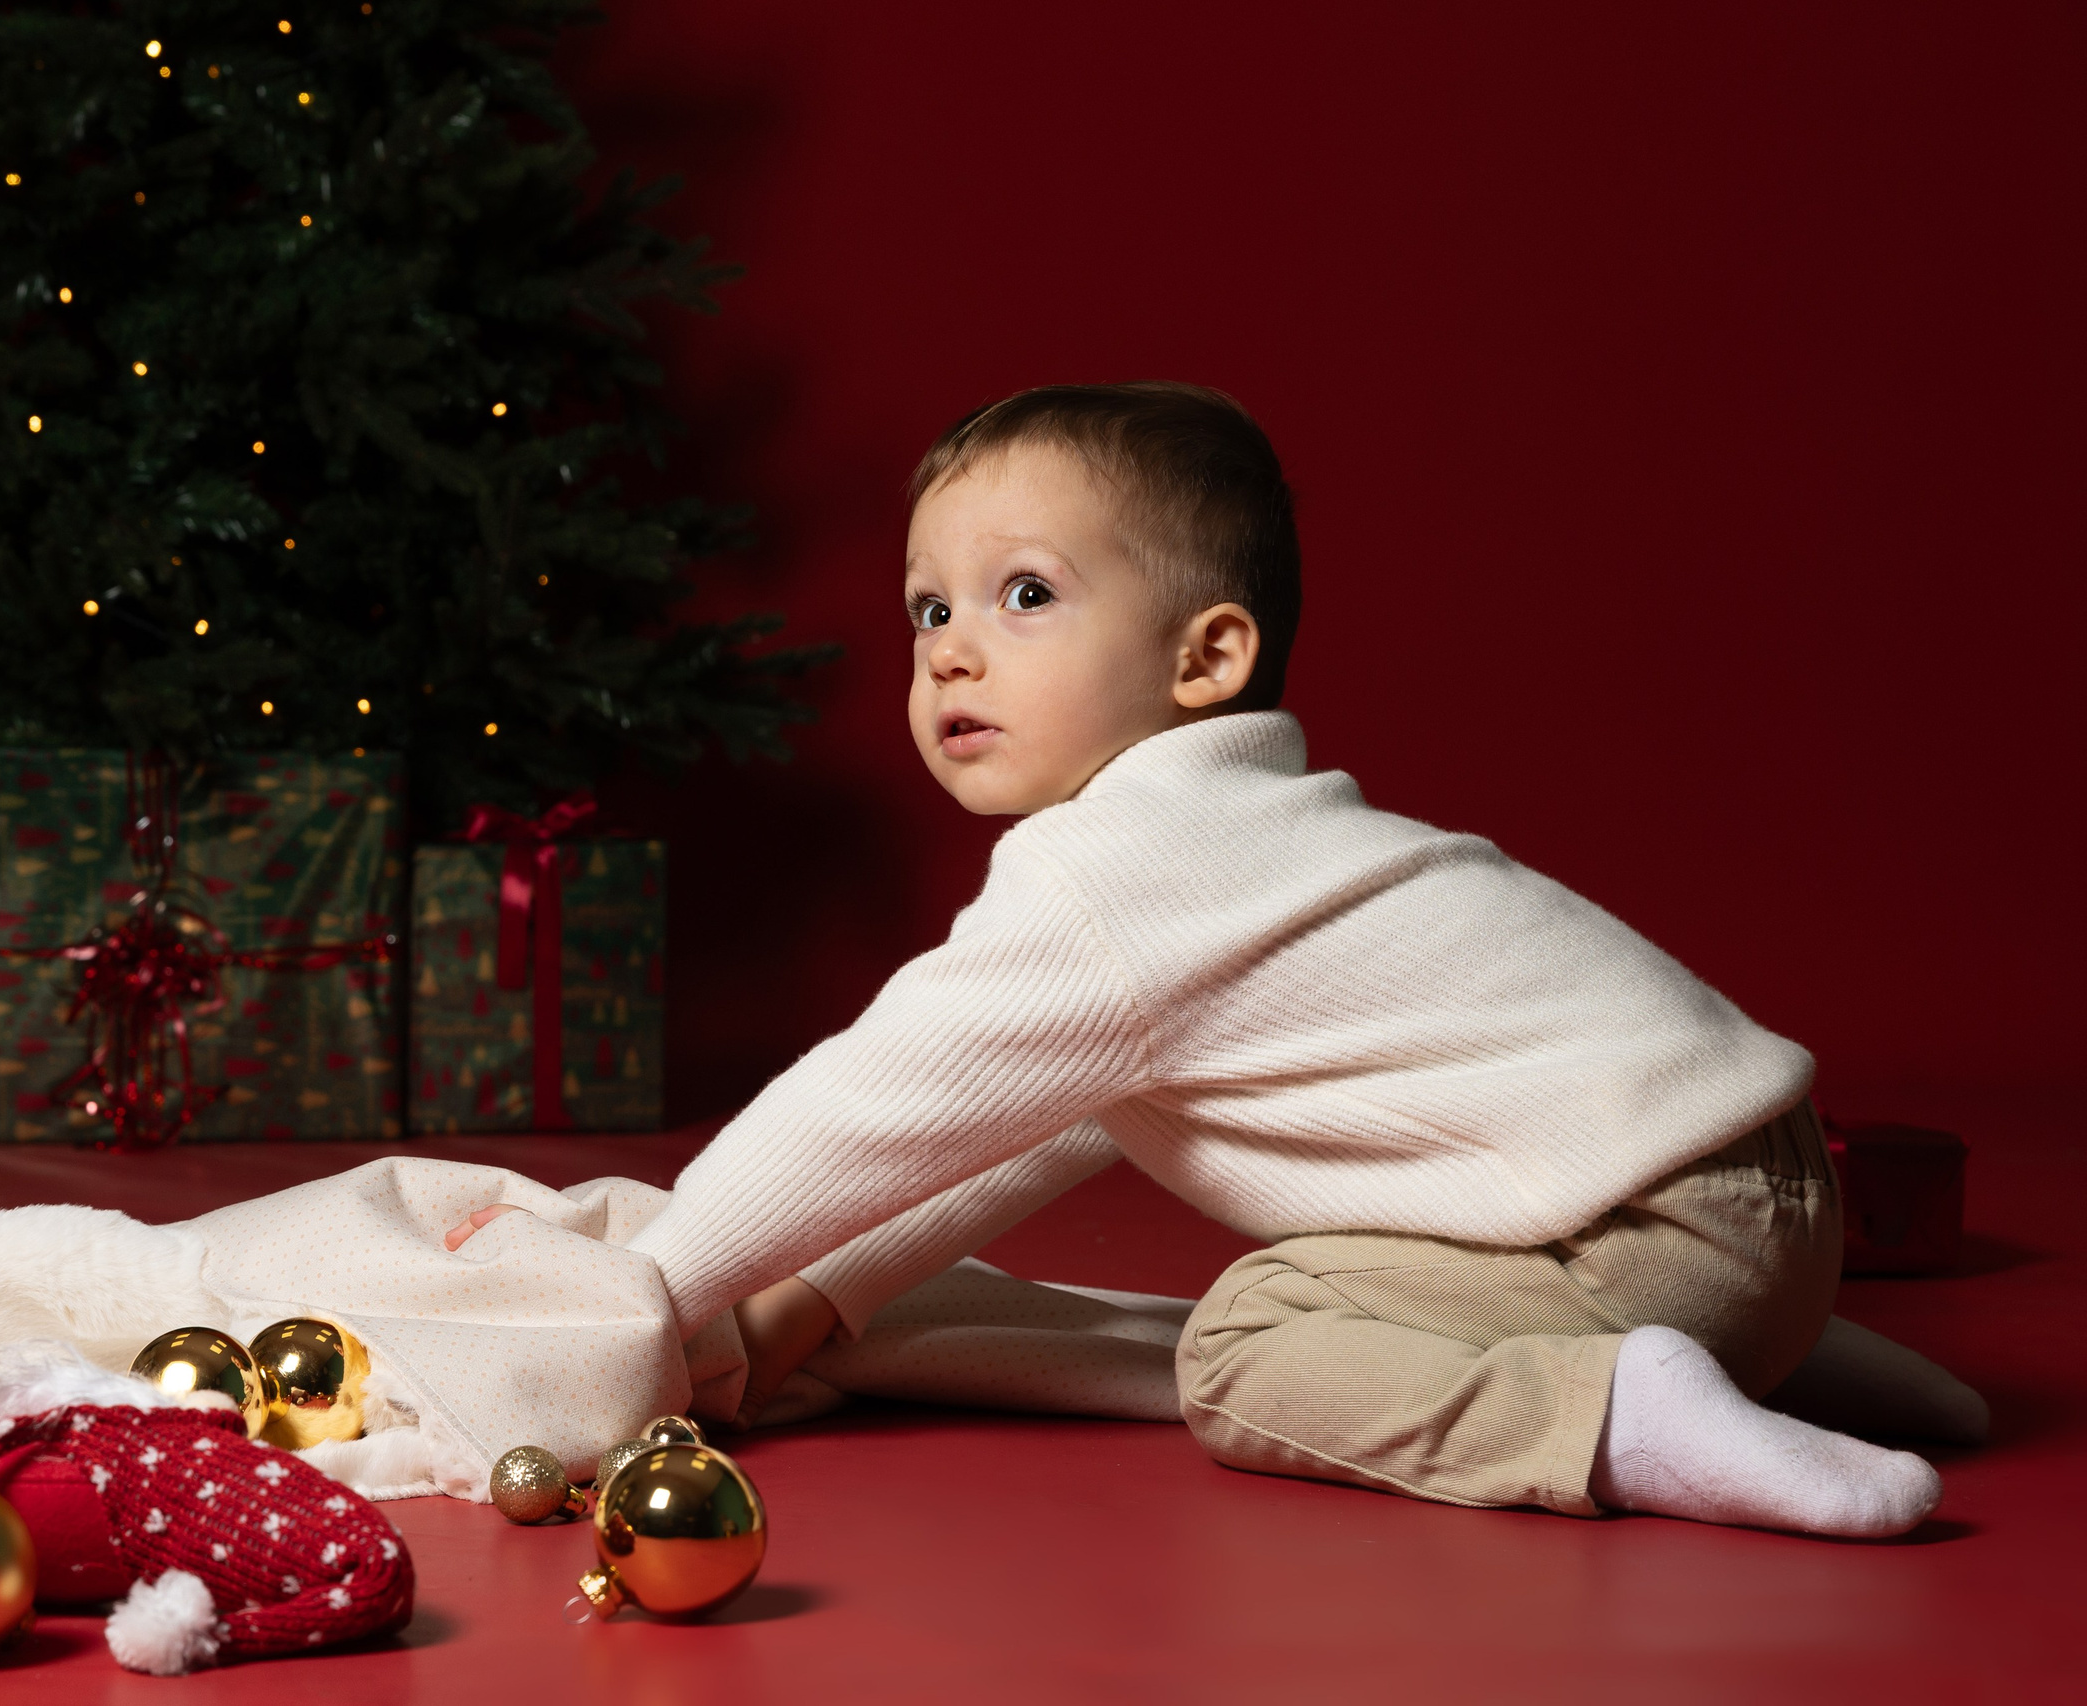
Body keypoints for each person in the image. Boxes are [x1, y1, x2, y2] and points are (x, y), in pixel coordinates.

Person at [451, 382, 1984, 1537]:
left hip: (1656, 1235)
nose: (947, 651)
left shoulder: (1116, 871)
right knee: (1388, 1273)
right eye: (926, 607)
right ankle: (1768, 1351)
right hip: (1774, 1201)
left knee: (1251, 1342)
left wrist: (637, 1300)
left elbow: (865, 1108)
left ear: (1208, 655)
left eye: (1023, 595)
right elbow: (1021, 1131)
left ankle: (1621, 1408)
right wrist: (799, 1314)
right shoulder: (1240, 834)